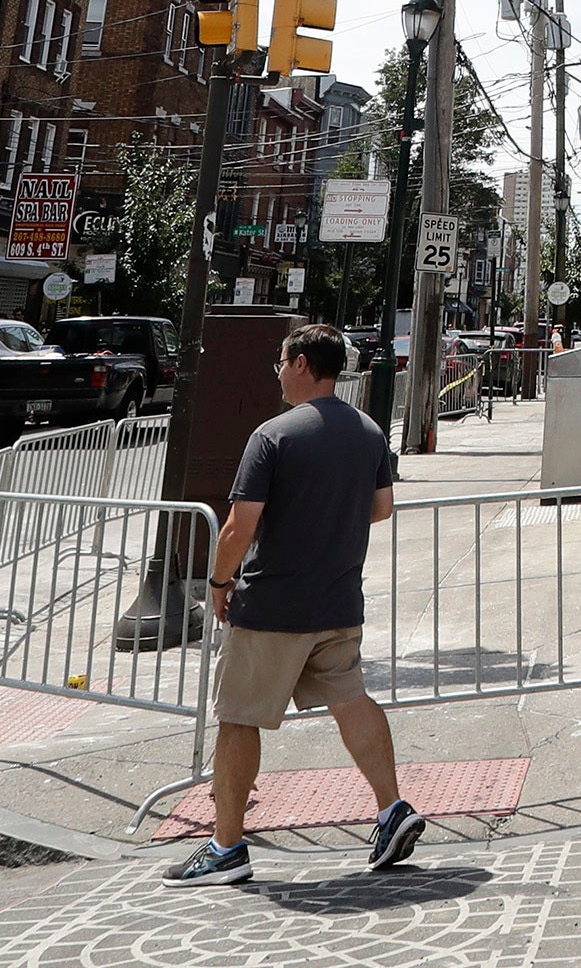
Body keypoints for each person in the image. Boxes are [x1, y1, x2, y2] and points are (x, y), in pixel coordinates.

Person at [163, 324, 425, 887]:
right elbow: (382, 508)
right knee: (351, 699)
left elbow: (238, 526)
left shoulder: (272, 436)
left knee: (237, 718)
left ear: (302, 364)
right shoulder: (368, 431)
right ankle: (391, 808)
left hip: (274, 603)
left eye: (281, 362)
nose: (278, 373)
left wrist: (217, 582)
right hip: (338, 600)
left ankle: (226, 846)